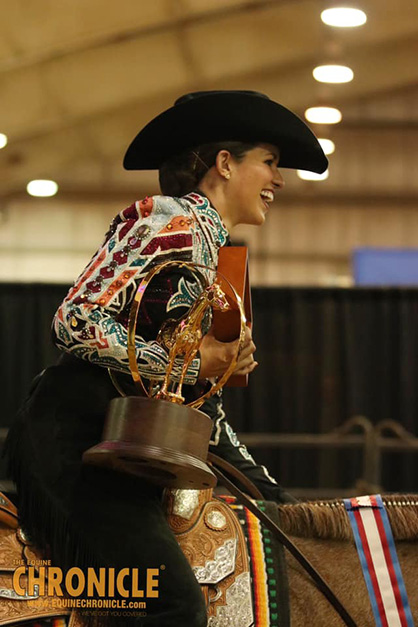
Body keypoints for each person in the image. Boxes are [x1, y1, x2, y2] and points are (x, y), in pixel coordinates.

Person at [5, 90, 327, 626]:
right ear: (225, 164)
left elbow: (208, 416)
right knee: (173, 603)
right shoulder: (167, 220)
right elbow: (75, 319)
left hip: (121, 456)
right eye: (270, 162)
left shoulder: (223, 259)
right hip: (75, 445)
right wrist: (189, 363)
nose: (280, 178)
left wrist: (281, 503)